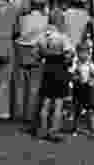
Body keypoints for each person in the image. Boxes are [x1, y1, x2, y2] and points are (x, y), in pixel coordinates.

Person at [33, 9, 76, 142]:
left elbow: (36, 55)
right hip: (60, 69)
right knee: (58, 103)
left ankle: (42, 130)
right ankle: (54, 131)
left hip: (47, 69)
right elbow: (70, 54)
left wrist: (43, 56)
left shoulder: (42, 37)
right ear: (59, 21)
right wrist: (67, 61)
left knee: (45, 101)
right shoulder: (62, 37)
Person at [14, 0, 49, 127]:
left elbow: (16, 33)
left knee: (20, 85)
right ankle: (31, 114)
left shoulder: (22, 18)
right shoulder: (45, 20)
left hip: (21, 50)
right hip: (36, 51)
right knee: (34, 86)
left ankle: (19, 113)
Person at [70, 41, 94, 139]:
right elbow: (71, 73)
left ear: (88, 53)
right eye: (80, 52)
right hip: (78, 89)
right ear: (77, 53)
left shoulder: (90, 64)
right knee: (76, 110)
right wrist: (75, 77)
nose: (83, 55)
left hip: (87, 89)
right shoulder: (76, 63)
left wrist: (92, 81)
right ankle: (75, 128)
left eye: (85, 53)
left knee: (90, 110)